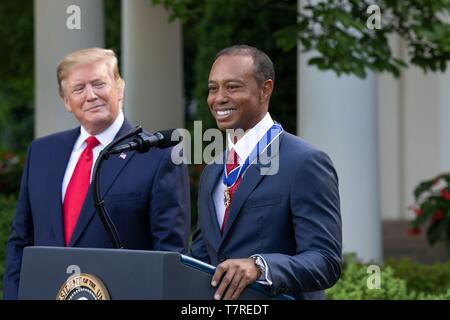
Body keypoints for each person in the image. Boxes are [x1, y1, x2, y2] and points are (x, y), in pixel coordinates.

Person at [3, 48, 190, 300]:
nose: (91, 96)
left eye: (99, 84)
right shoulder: (41, 152)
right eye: (78, 89)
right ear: (66, 101)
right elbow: (20, 241)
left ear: (120, 88)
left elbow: (170, 255)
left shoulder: (158, 156)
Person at [190, 45, 342, 300]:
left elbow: (325, 261)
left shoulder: (305, 162)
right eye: (213, 88)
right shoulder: (212, 171)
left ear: (265, 90)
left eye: (233, 86)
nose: (219, 98)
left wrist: (259, 266)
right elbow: (200, 260)